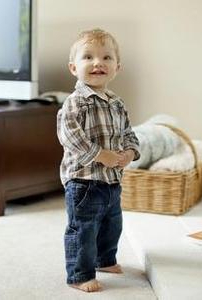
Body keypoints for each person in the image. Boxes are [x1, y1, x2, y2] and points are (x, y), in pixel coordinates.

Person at [56, 28, 140, 293]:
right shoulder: (75, 102)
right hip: (84, 181)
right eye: (88, 57)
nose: (98, 63)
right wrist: (100, 155)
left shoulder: (117, 103)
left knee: (111, 224)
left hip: (112, 179)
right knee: (84, 228)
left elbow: (129, 133)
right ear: (73, 67)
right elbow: (70, 136)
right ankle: (80, 274)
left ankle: (106, 259)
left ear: (117, 67)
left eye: (106, 58)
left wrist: (129, 153)